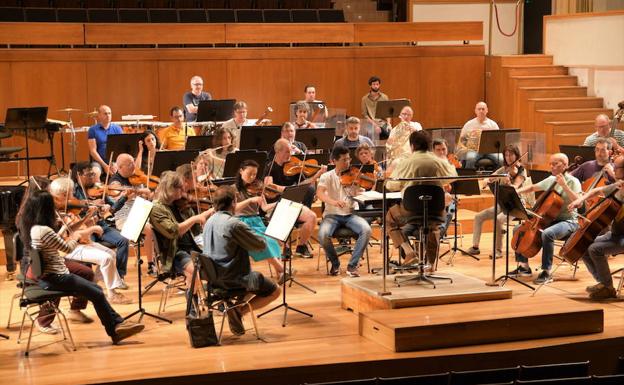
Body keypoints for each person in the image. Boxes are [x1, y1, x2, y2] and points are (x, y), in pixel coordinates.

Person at [18, 190, 144, 344]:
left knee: (95, 290)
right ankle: (115, 328)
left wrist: (74, 226)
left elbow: (54, 240)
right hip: (55, 277)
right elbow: (67, 248)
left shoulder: (35, 228)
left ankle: (117, 324)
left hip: (52, 274)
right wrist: (77, 236)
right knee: (97, 292)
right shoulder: (44, 230)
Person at [203, 186, 281, 335]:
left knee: (255, 279)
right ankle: (239, 311)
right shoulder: (233, 224)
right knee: (275, 290)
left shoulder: (209, 221)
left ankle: (236, 307)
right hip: (235, 280)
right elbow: (260, 244)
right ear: (234, 202)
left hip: (213, 279)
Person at [48, 177, 131, 305]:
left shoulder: (68, 208)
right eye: (70, 193)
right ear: (63, 194)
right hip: (68, 248)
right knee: (106, 259)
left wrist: (90, 216)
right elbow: (70, 235)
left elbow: (76, 226)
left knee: (112, 254)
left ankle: (93, 284)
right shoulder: (53, 213)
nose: (72, 196)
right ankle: (112, 294)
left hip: (82, 242)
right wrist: (91, 229)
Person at [386, 131, 456, 267]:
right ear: (429, 145)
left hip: (411, 211)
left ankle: (409, 252)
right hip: (436, 211)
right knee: (433, 226)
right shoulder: (438, 160)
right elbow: (452, 176)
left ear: (412, 146)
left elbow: (391, 185)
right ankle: (430, 265)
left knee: (390, 218)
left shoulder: (406, 162)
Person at [511, 153, 581, 284]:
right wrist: (516, 191)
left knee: (548, 233)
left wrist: (564, 185)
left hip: (569, 221)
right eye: (551, 164)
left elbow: (579, 202)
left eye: (556, 164)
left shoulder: (573, 181)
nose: (552, 166)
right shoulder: (551, 179)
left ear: (565, 165)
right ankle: (524, 267)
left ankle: (546, 271)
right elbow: (532, 187)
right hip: (551, 220)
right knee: (518, 228)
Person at [568, 156, 624, 300]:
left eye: (616, 167)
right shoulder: (620, 185)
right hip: (616, 233)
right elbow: (597, 191)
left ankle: (607, 287)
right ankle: (604, 284)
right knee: (584, 244)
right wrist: (579, 200)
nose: (613, 168)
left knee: (595, 249)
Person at [149, 171, 213, 297]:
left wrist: (210, 213)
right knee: (194, 271)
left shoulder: (179, 203)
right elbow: (173, 231)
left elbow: (195, 228)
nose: (184, 190)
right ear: (171, 189)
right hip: (174, 253)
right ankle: (192, 307)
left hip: (193, 247)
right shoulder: (156, 208)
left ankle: (214, 298)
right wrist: (195, 219)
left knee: (218, 262)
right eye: (180, 188)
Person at [72, 162, 130, 288]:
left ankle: (119, 277)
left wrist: (122, 199)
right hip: (86, 229)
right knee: (89, 249)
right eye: (89, 174)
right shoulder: (73, 192)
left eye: (93, 174)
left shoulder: (99, 189)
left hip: (102, 226)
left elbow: (113, 209)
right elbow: (75, 211)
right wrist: (90, 205)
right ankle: (90, 283)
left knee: (124, 241)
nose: (92, 177)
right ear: (79, 176)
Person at [317, 146, 372, 277]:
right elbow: (320, 193)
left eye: (348, 159)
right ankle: (335, 263)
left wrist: (358, 189)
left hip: (351, 214)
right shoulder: (327, 176)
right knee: (323, 235)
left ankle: (352, 265)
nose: (347, 162)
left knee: (366, 230)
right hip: (331, 215)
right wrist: (333, 202)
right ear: (334, 161)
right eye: (344, 160)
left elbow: (359, 193)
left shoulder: (355, 174)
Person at [264, 138, 322, 257]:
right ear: (278, 152)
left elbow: (303, 185)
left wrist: (317, 174)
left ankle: (301, 246)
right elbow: (269, 186)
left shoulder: (293, 165)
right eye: (287, 152)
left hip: (291, 202)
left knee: (312, 217)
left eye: (290, 151)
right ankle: (286, 248)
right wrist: (287, 189)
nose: (290, 154)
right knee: (283, 219)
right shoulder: (270, 167)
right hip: (275, 205)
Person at [468, 145, 527, 259]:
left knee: (499, 219)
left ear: (517, 155)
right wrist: (486, 180)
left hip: (515, 206)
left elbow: (515, 188)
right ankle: (475, 247)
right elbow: (491, 177)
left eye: (511, 155)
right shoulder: (504, 169)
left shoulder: (521, 171)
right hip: (503, 204)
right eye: (506, 155)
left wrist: (509, 183)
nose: (509, 157)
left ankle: (498, 250)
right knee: (479, 216)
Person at [234, 160, 287, 281]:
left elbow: (264, 207)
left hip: (257, 221)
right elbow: (234, 209)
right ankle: (282, 270)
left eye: (255, 174)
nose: (253, 177)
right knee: (263, 241)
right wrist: (249, 201)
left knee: (273, 239)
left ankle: (280, 275)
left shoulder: (257, 188)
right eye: (250, 174)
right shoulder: (233, 190)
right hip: (242, 222)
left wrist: (279, 203)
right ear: (241, 171)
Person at [109, 153, 157, 276]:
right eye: (129, 164)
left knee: (161, 223)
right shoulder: (115, 181)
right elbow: (119, 193)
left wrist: (150, 194)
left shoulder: (136, 177)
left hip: (141, 212)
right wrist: (140, 191)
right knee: (148, 228)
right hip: (125, 219)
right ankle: (151, 265)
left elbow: (147, 196)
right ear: (120, 167)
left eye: (133, 162)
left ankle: (164, 258)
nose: (133, 165)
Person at [455, 101, 500, 169]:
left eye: (483, 109)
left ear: (487, 110)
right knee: (470, 158)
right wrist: (465, 148)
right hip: (474, 150)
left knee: (501, 159)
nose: (481, 111)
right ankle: (470, 179)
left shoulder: (493, 124)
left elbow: (498, 139)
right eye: (479, 109)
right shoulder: (469, 124)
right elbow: (462, 140)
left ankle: (497, 178)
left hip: (490, 151)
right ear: (475, 111)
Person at [88, 105, 123, 175]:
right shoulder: (92, 130)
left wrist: (116, 163)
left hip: (114, 161)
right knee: (95, 171)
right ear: (99, 115)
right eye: (105, 113)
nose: (108, 115)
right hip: (99, 162)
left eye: (109, 113)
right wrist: (104, 165)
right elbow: (93, 151)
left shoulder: (118, 128)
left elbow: (121, 148)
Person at [385, 106, 421, 173]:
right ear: (400, 115)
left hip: (413, 156)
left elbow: (422, 138)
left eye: (409, 115)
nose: (406, 116)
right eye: (404, 114)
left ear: (411, 116)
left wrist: (414, 131)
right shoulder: (394, 130)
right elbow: (389, 146)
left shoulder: (416, 125)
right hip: (399, 158)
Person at [361, 75, 390, 140]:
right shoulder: (364, 99)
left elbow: (388, 113)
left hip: (382, 122)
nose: (376, 86)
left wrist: (389, 124)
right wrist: (375, 125)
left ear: (379, 85)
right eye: (374, 84)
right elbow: (365, 115)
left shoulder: (384, 97)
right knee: (371, 134)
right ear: (370, 85)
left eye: (377, 84)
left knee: (390, 133)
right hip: (370, 123)